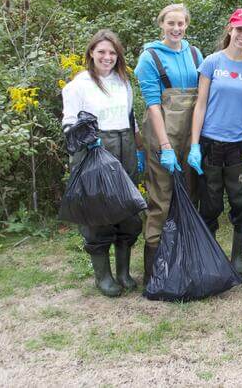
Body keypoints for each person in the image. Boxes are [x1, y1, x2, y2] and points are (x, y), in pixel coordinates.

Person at [61, 29, 144, 297]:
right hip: (93, 153)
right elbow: (68, 124)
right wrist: (88, 139)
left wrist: (139, 148)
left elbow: (131, 119)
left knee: (128, 212)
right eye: (102, 52)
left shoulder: (124, 83)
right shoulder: (78, 85)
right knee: (97, 214)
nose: (107, 57)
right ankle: (103, 277)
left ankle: (123, 272)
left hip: (125, 150)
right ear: (91, 54)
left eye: (112, 52)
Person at [187, 8, 242, 276]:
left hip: (238, 147)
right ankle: (209, 258)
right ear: (230, 29)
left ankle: (236, 260)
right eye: (239, 29)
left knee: (239, 202)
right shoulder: (212, 62)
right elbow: (200, 105)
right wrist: (195, 144)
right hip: (211, 144)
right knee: (210, 203)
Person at [135, 3, 203, 285]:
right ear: (161, 25)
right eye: (170, 23)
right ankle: (153, 273)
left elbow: (201, 99)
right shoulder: (149, 58)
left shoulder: (196, 53)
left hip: (190, 139)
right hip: (162, 137)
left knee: (189, 199)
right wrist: (164, 147)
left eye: (181, 24)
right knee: (161, 201)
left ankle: (182, 262)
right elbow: (153, 105)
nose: (176, 29)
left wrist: (196, 144)